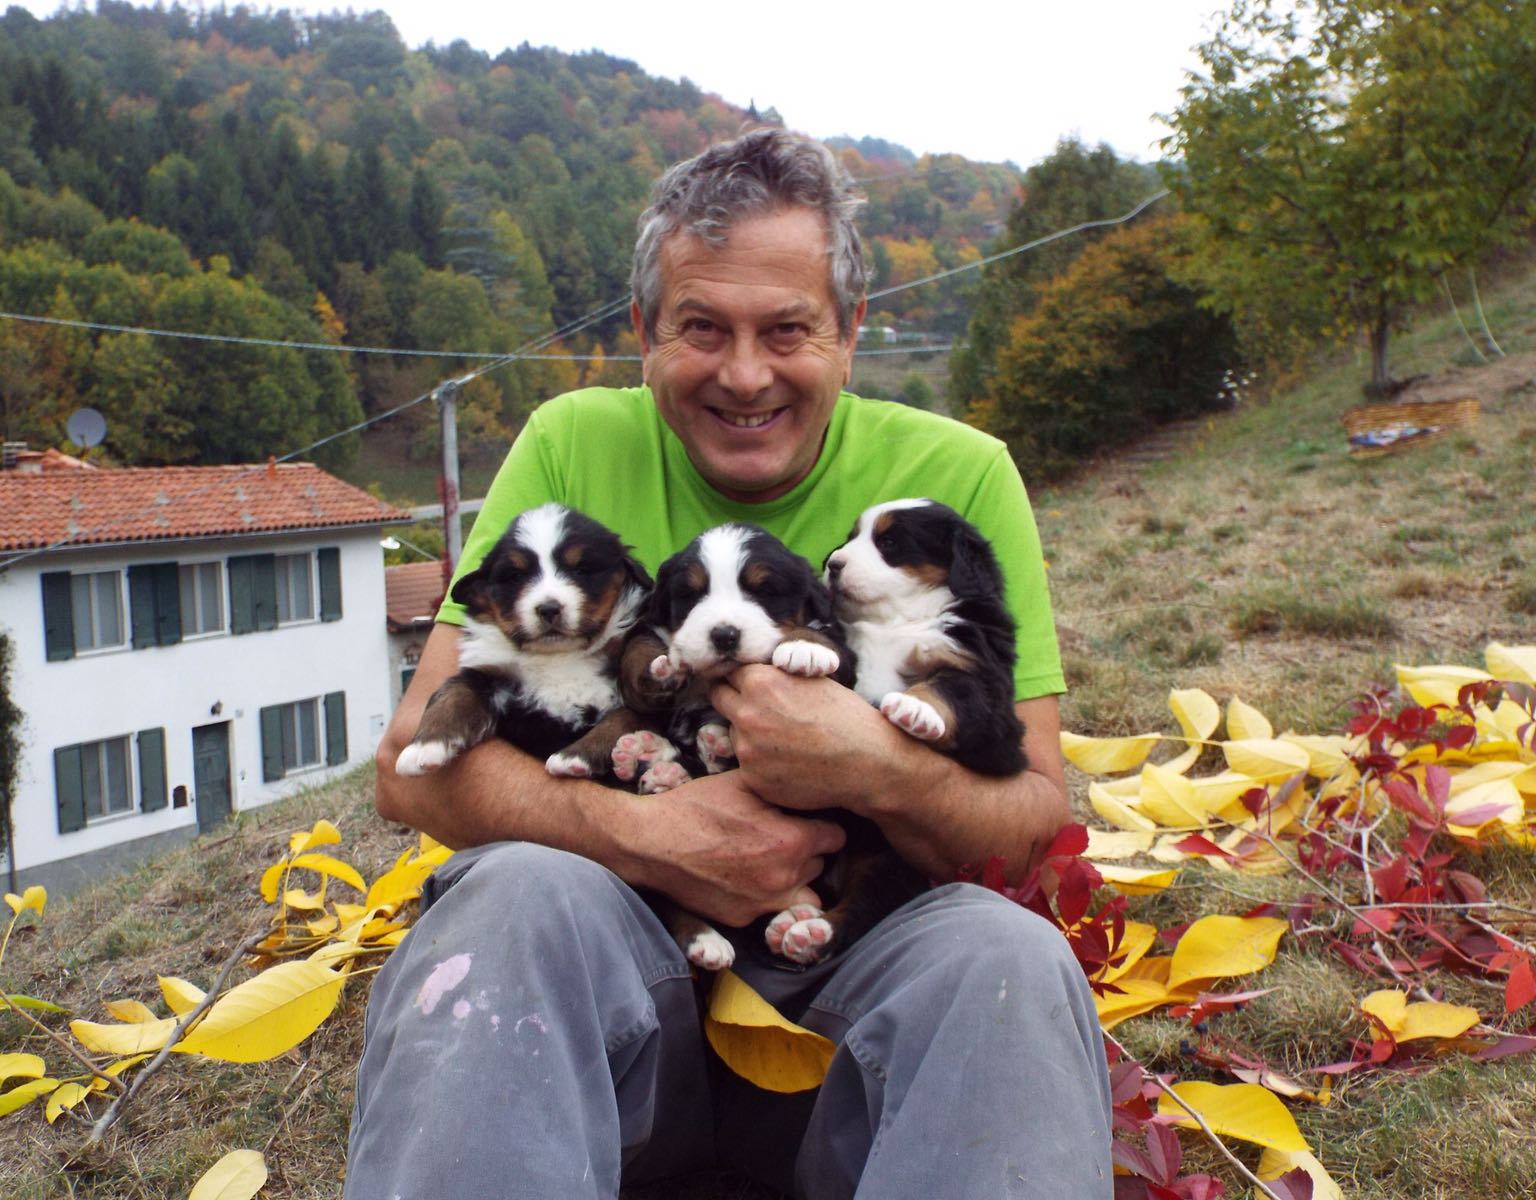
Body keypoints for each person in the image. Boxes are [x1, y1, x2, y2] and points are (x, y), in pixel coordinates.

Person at [346, 129, 1112, 1199]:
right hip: (616, 965)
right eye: (701, 327)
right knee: (511, 896)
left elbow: (1033, 818)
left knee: (1010, 958)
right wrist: (652, 836)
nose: (744, 375)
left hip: (860, 965)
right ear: (643, 331)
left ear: (849, 329)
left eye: (787, 328)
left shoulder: (959, 478)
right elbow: (410, 767)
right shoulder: (569, 443)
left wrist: (874, 767)